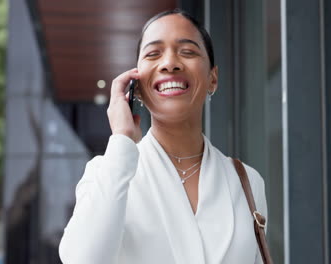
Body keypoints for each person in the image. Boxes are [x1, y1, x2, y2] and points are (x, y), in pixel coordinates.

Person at [58, 9, 268, 264]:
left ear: (213, 78)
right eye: (153, 53)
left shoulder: (246, 181)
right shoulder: (108, 173)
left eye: (188, 51)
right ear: (137, 85)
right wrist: (122, 140)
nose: (170, 63)